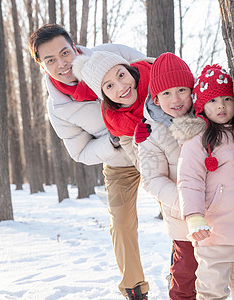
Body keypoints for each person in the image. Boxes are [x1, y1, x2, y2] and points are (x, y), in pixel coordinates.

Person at [28, 24, 149, 300]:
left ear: (74, 46)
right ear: (42, 65)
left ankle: (188, 277)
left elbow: (152, 73)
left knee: (183, 208)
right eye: (50, 60)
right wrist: (114, 141)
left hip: (155, 142)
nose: (62, 64)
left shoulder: (111, 54)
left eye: (64, 53)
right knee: (121, 223)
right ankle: (135, 289)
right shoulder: (59, 108)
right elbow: (80, 152)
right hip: (119, 161)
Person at [174, 64, 234, 300]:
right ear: (202, 105)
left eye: (227, 98)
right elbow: (189, 180)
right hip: (214, 233)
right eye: (213, 100)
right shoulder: (198, 139)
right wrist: (194, 216)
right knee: (212, 290)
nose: (221, 105)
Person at [136, 52, 198, 300]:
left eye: (182, 89)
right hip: (182, 217)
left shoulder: (207, 117)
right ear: (156, 98)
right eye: (166, 93)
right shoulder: (150, 132)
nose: (176, 99)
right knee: (185, 274)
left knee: (217, 273)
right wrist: (187, 202)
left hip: (219, 212)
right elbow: (152, 179)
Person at [71, 50, 152, 169]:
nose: (121, 87)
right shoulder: (119, 124)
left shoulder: (157, 76)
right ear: (104, 95)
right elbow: (143, 167)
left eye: (121, 75)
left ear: (128, 69)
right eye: (109, 86)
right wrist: (138, 143)